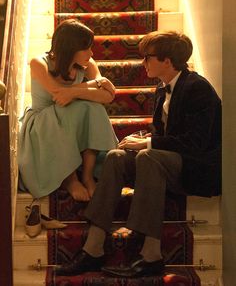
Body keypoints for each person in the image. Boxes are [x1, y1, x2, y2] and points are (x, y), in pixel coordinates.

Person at [55, 31, 222, 277]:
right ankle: (93, 249)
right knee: (116, 156)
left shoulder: (198, 88)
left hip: (195, 167)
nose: (142, 63)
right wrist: (142, 139)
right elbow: (165, 132)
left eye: (148, 58)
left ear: (167, 61)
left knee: (147, 156)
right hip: (167, 161)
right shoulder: (162, 88)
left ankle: (151, 254)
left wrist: (147, 144)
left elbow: (194, 143)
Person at [18, 19, 118, 204]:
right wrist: (93, 86)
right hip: (42, 124)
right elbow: (58, 95)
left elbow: (107, 96)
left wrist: (74, 91)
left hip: (70, 118)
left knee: (94, 108)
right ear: (70, 48)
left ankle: (87, 176)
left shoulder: (88, 64)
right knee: (67, 109)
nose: (91, 52)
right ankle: (70, 180)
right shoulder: (39, 63)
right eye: (86, 48)